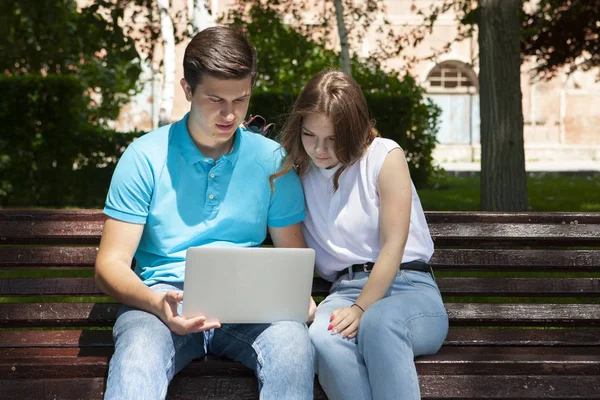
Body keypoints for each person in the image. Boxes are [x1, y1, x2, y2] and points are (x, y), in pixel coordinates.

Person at [95, 26, 315, 400]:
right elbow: (110, 265)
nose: (230, 114)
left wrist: (296, 297)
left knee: (294, 345)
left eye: (241, 100)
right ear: (187, 90)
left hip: (248, 306)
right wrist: (157, 304)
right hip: (160, 303)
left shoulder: (271, 161)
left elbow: (293, 257)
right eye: (215, 99)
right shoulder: (145, 157)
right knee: (137, 356)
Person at [273, 70, 449, 400]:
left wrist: (362, 308)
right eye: (310, 136)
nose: (319, 150)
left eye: (332, 139)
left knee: (379, 323)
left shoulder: (384, 156)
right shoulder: (297, 171)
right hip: (342, 292)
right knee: (323, 338)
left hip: (408, 287)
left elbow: (394, 245)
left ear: (353, 131)